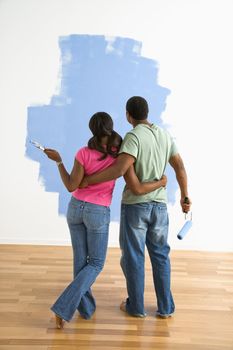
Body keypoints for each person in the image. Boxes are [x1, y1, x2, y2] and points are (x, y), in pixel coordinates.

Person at [44, 111, 168, 328]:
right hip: (97, 212)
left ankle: (86, 309)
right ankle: (64, 307)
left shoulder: (83, 153)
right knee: (96, 263)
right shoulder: (119, 153)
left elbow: (72, 186)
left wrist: (59, 162)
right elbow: (131, 181)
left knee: (80, 262)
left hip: (75, 209)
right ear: (110, 127)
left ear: (92, 129)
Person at [80, 97, 191, 318]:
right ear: (146, 113)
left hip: (136, 207)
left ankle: (136, 307)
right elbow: (179, 167)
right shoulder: (164, 134)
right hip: (159, 207)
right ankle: (166, 308)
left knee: (133, 256)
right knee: (160, 256)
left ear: (129, 115)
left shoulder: (133, 136)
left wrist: (88, 180)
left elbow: (119, 169)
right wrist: (185, 196)